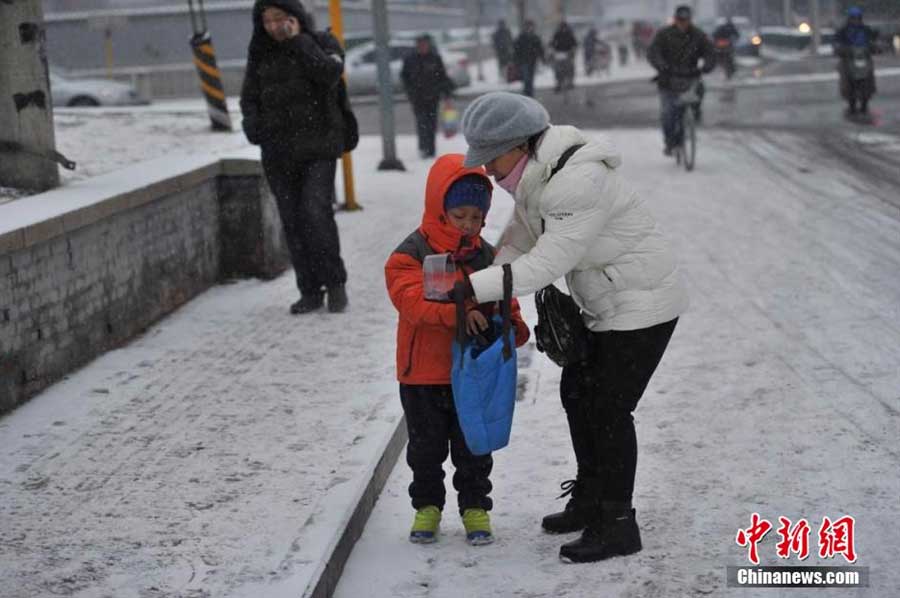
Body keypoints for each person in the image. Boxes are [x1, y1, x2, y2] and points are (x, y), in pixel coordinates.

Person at [459, 91, 689, 563]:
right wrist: (485, 277)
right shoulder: (539, 176)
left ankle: (619, 523)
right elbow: (522, 237)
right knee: (577, 393)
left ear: (518, 145)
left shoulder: (576, 180)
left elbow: (547, 261)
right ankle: (589, 497)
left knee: (608, 410)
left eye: (490, 159)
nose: (486, 170)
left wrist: (472, 288)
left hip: (643, 303)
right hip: (607, 299)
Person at [384, 153, 530, 546]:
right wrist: (460, 314)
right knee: (426, 450)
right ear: (439, 208)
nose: (468, 224)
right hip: (424, 375)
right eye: (459, 215)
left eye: (476, 217)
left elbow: (502, 293)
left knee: (473, 449)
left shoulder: (484, 254)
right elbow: (413, 304)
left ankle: (475, 506)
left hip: (471, 374)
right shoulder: (409, 254)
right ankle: (427, 507)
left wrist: (511, 323)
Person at [240, 0, 350, 315]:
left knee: (315, 213)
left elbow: (329, 74)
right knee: (293, 221)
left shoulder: (321, 43)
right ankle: (310, 290)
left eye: (281, 18)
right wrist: (255, 126)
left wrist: (300, 41)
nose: (275, 27)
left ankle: (336, 284)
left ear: (297, 18)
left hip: (318, 149)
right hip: (278, 153)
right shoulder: (259, 53)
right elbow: (249, 98)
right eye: (268, 20)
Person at [648, 5, 715, 155]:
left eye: (686, 20)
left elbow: (710, 52)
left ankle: (695, 116)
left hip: (690, 76)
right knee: (668, 114)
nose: (683, 23)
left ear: (690, 20)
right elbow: (653, 52)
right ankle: (670, 141)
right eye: (680, 20)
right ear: (675, 20)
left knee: (698, 94)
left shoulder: (698, 35)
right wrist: (662, 66)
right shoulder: (664, 34)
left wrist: (707, 66)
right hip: (668, 79)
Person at [401, 35, 456, 159]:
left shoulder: (435, 58)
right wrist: (410, 92)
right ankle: (423, 148)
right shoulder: (410, 59)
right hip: (417, 98)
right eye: (420, 44)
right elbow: (405, 77)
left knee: (431, 124)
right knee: (421, 122)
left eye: (425, 44)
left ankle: (431, 149)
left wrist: (447, 93)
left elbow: (442, 77)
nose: (423, 47)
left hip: (433, 97)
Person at [834, 6, 879, 116]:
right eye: (853, 18)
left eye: (857, 18)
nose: (855, 20)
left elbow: (874, 41)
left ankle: (866, 99)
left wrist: (875, 47)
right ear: (849, 19)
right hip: (849, 59)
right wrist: (840, 49)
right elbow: (836, 43)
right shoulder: (843, 31)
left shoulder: (866, 30)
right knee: (845, 76)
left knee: (869, 77)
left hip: (864, 58)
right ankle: (851, 102)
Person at [513, 20, 545, 98]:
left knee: (530, 78)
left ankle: (529, 94)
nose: (529, 28)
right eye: (528, 26)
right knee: (526, 78)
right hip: (524, 61)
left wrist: (543, 58)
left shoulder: (535, 37)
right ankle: (527, 94)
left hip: (532, 61)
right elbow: (516, 49)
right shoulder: (521, 37)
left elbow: (540, 49)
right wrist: (516, 60)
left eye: (530, 26)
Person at [550, 21, 578, 93]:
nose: (563, 29)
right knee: (557, 69)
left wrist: (572, 51)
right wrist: (553, 50)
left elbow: (575, 44)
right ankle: (558, 83)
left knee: (570, 68)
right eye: (562, 27)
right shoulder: (557, 34)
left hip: (568, 54)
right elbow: (552, 43)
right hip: (559, 54)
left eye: (564, 27)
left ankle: (570, 81)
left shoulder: (570, 34)